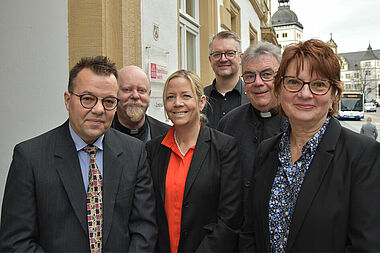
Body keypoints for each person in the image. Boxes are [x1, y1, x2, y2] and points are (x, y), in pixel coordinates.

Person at [0, 56, 157, 252]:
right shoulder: (30, 158)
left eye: (108, 101)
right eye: (88, 99)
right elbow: (16, 242)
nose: (99, 110)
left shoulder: (134, 153)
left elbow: (144, 229)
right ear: (68, 100)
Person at [240, 39, 380, 252]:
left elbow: (366, 246)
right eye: (294, 82)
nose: (305, 93)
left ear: (334, 94)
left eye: (319, 85)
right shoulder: (267, 151)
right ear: (279, 90)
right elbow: (250, 231)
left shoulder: (362, 156)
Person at [146, 70, 243, 252]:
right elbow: (149, 212)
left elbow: (230, 218)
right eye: (170, 97)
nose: (178, 103)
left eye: (186, 96)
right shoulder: (153, 150)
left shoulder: (224, 147)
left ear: (201, 102)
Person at [218, 41, 288, 204]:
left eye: (267, 74)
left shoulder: (298, 123)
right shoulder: (228, 124)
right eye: (250, 76)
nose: (258, 82)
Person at [112, 65, 170, 143]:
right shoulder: (101, 134)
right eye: (127, 89)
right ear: (115, 93)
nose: (135, 96)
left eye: (141, 90)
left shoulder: (167, 136)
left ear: (149, 94)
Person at [203, 31, 248, 128]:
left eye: (230, 53)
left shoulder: (253, 96)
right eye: (217, 54)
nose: (223, 59)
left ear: (241, 58)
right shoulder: (199, 98)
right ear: (210, 60)